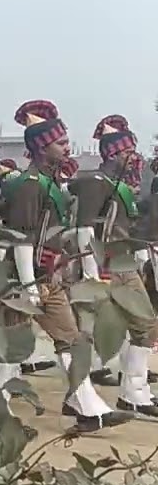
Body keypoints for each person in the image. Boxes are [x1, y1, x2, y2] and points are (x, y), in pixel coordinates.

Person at [0, 101, 129, 431]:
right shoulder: (30, 184)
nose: (67, 146)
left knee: (70, 339)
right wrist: (28, 287)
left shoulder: (49, 183)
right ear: (42, 148)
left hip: (47, 277)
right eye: (60, 142)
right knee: (7, 347)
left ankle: (84, 403)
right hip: (22, 281)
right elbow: (23, 239)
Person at [72, 113, 158, 417]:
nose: (130, 158)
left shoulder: (119, 185)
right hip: (107, 266)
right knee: (130, 328)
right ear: (111, 152)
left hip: (124, 264)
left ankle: (135, 390)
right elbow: (85, 229)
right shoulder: (96, 182)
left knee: (145, 327)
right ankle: (126, 392)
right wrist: (91, 271)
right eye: (125, 151)